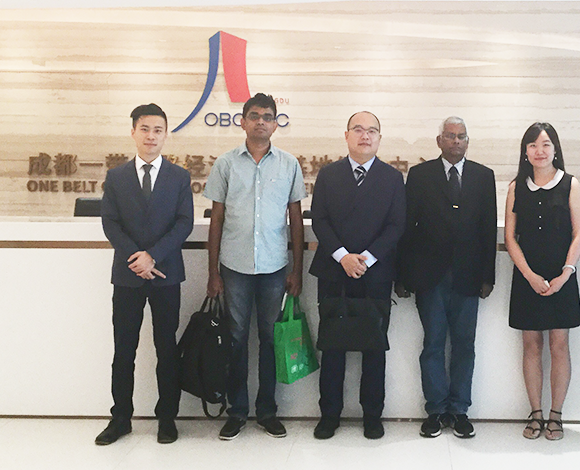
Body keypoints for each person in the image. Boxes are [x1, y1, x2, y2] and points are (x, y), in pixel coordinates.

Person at [204, 93, 306, 441]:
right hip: (234, 266)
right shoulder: (226, 164)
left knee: (270, 339)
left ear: (276, 124)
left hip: (275, 267)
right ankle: (237, 412)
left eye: (268, 116)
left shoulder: (289, 164)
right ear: (243, 121)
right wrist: (213, 272)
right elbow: (216, 218)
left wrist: (297, 270)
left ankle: (267, 411)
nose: (261, 121)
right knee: (235, 340)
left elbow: (295, 218)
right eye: (254, 115)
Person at [96, 103, 193, 445]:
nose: (151, 136)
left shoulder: (180, 177)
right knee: (124, 349)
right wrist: (136, 258)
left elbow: (184, 223)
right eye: (145, 129)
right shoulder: (117, 177)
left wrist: (153, 256)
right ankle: (120, 418)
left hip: (166, 274)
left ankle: (167, 418)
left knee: (166, 348)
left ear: (166, 135)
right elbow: (110, 223)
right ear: (133, 132)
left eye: (158, 130)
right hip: (128, 275)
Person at [396, 116, 496, 439]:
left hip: (469, 276)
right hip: (429, 277)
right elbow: (407, 227)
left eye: (461, 136)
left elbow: (488, 229)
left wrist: (488, 276)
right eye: (450, 136)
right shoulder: (420, 175)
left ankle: (460, 410)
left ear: (468, 141)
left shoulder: (483, 176)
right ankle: (436, 411)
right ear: (439, 141)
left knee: (465, 345)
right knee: (433, 344)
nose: (456, 141)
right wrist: (402, 275)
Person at [309, 111, 405, 440]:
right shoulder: (328, 174)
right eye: (359, 130)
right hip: (334, 272)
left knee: (374, 347)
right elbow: (319, 219)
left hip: (375, 274)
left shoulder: (392, 178)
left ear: (379, 138)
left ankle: (372, 416)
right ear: (346, 135)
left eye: (372, 131)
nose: (366, 136)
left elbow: (396, 225)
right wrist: (343, 257)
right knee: (332, 346)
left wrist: (366, 259)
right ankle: (329, 415)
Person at [505, 122, 580, 441]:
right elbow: (510, 238)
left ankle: (556, 415)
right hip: (528, 275)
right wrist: (529, 275)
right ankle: (536, 413)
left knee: (559, 344)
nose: (540, 151)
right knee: (531, 344)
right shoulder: (516, 187)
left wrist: (566, 273)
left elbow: (579, 233)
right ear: (525, 152)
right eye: (533, 145)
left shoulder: (570, 184)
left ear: (555, 149)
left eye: (546, 144)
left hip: (561, 275)